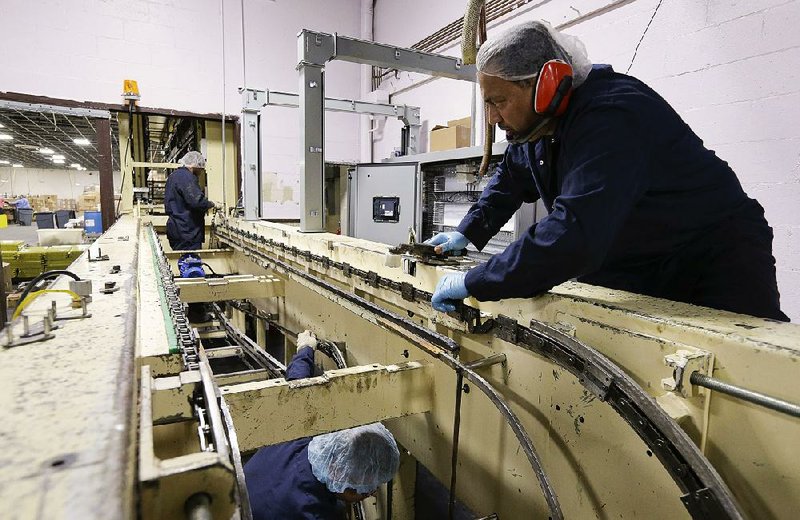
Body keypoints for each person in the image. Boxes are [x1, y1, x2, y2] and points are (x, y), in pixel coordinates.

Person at [427, 21, 788, 322]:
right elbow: (510, 177)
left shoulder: (613, 118)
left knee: (738, 381)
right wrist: (467, 233)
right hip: (637, 258)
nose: (492, 118)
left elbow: (575, 233)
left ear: (546, 85)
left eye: (499, 102)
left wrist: (477, 281)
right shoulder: (539, 128)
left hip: (713, 259)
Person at [245, 330, 401, 520]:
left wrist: (305, 349)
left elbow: (298, 387)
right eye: (365, 491)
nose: (373, 493)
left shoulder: (303, 432)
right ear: (341, 480)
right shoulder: (313, 513)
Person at [164, 151, 218, 251]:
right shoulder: (187, 177)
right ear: (195, 165)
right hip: (187, 232)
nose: (201, 173)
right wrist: (212, 204)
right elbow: (196, 201)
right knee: (191, 262)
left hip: (176, 229)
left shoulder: (173, 176)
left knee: (183, 261)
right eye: (201, 169)